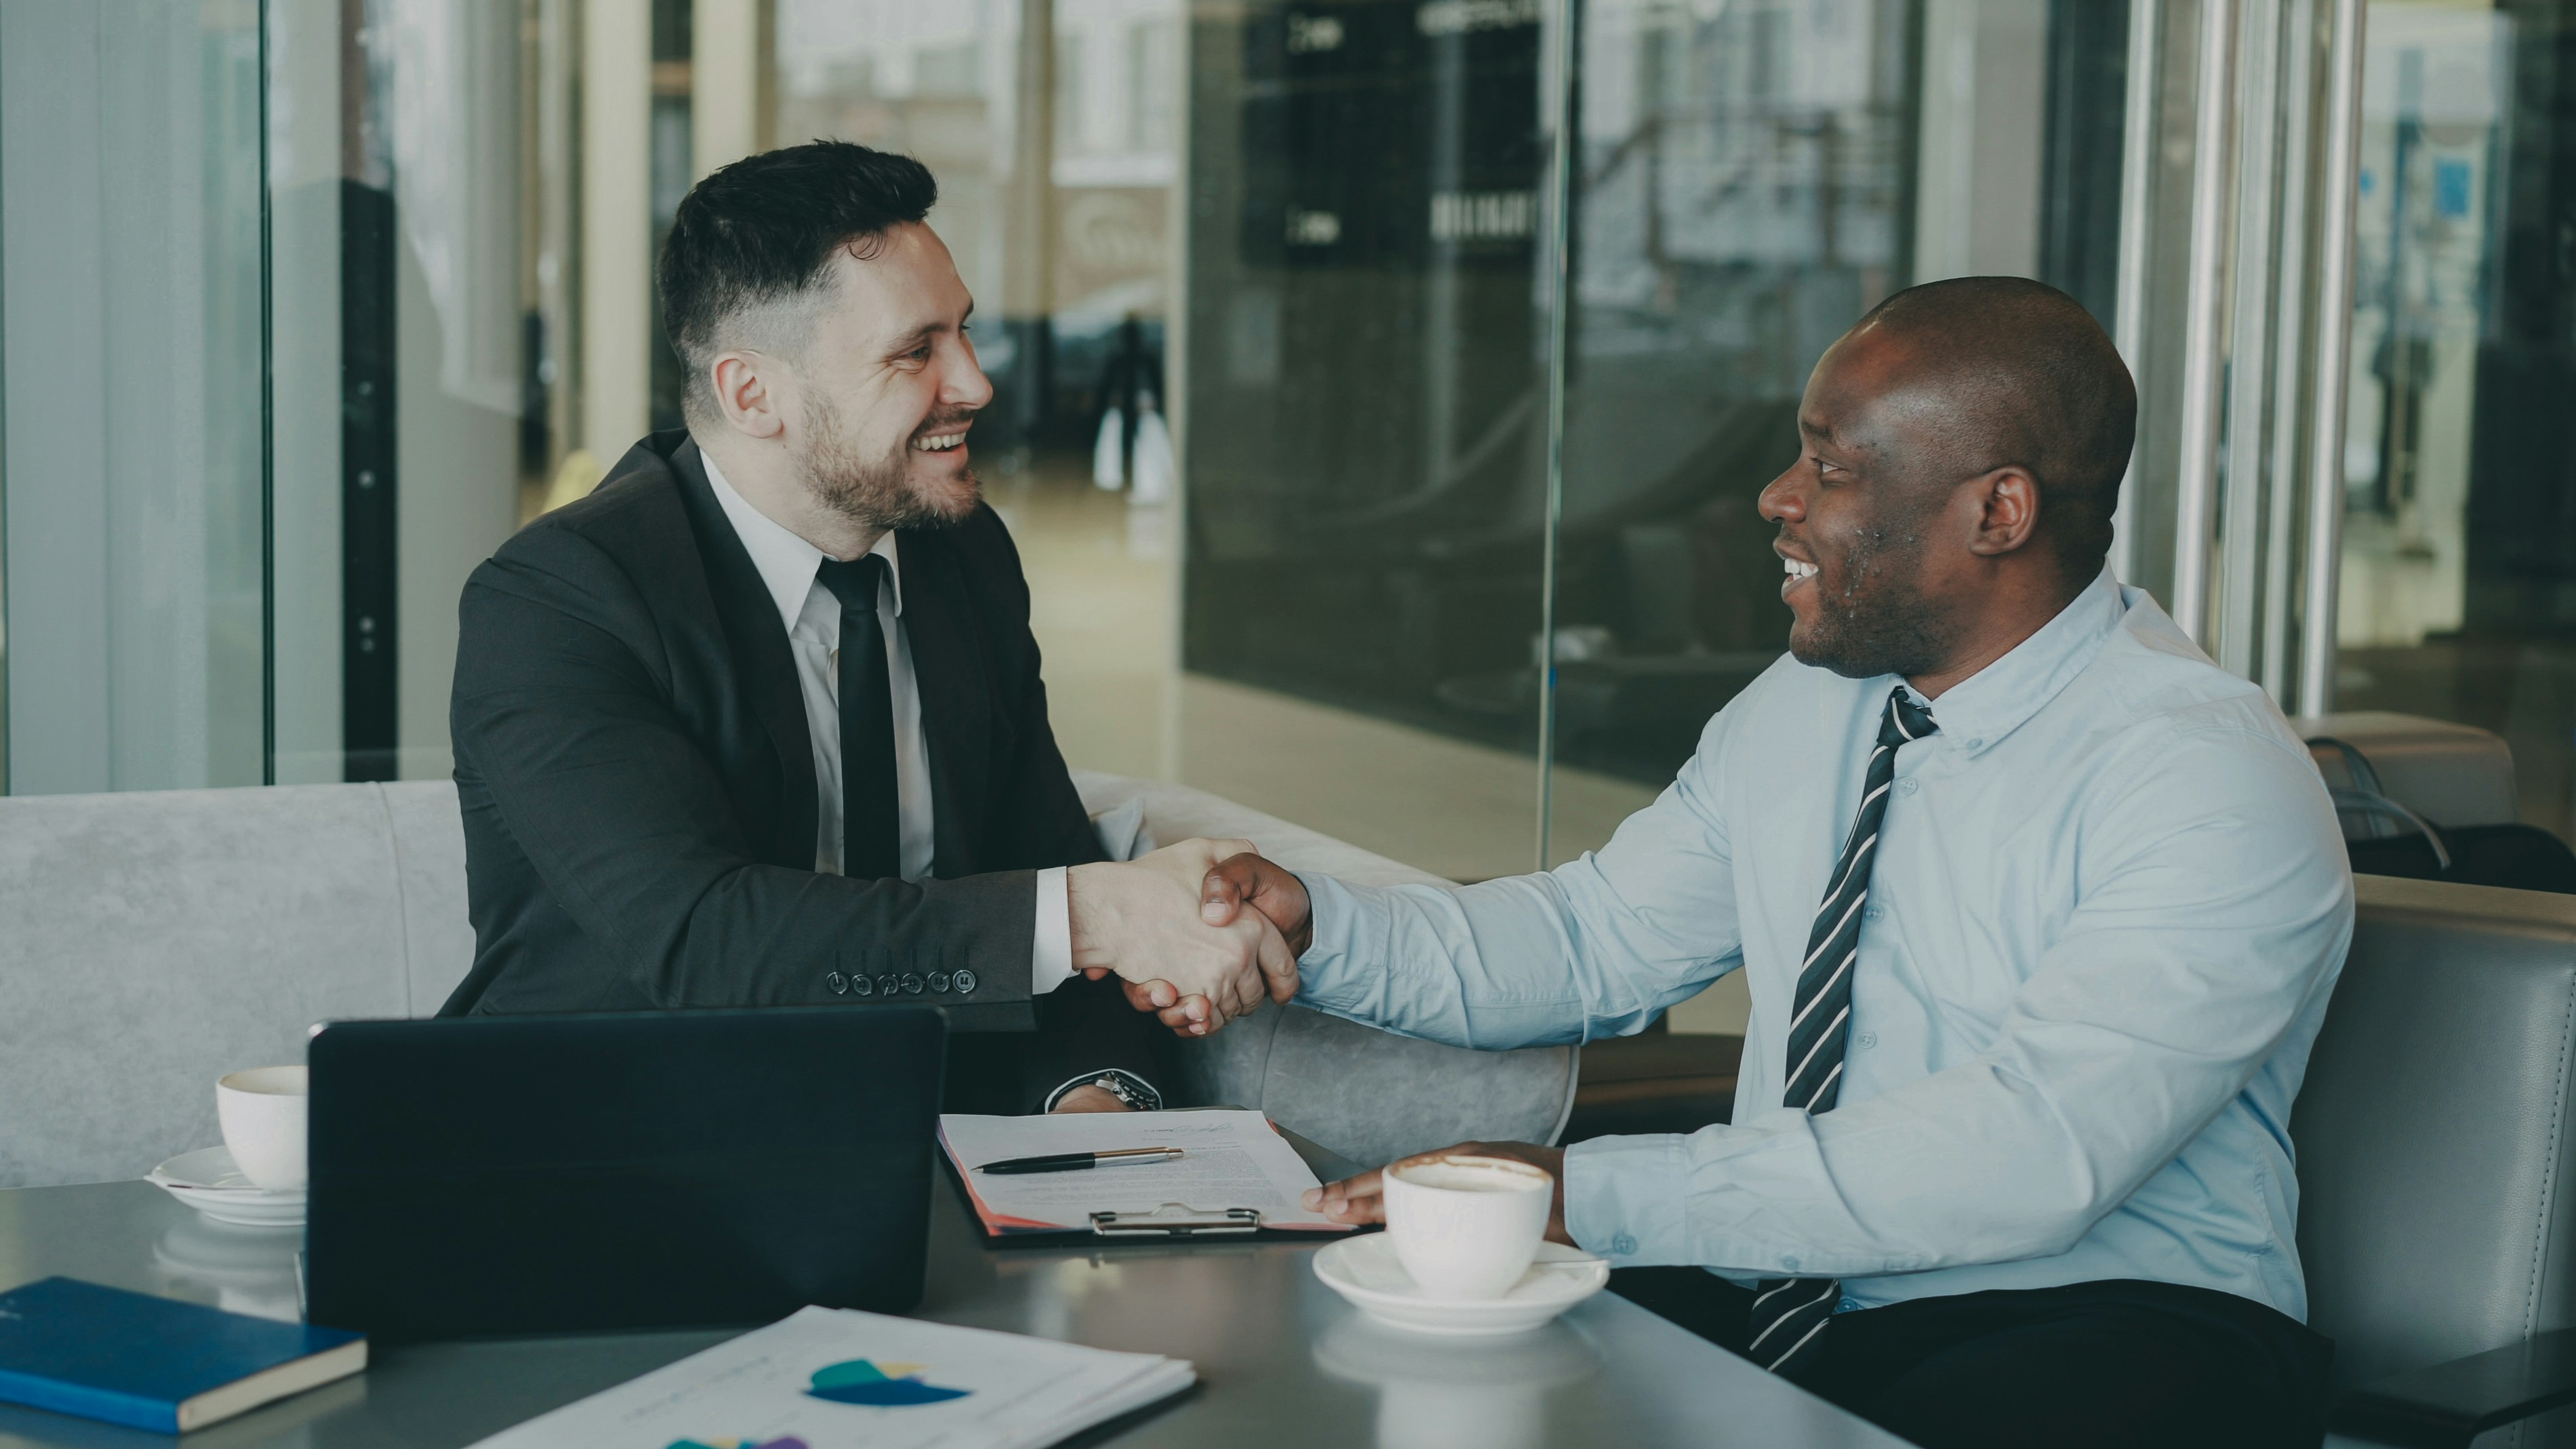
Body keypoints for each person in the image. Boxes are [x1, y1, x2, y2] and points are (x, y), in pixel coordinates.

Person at [1191, 277, 2352, 1448]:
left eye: (1832, 468)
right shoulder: (1814, 701)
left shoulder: (2204, 777)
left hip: (2116, 1326)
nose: (1776, 498)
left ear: (1998, 510)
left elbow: (2035, 1148)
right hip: (1799, 1296)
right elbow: (1594, 937)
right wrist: (1316, 927)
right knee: (1395, 1378)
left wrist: (1577, 1193)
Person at [444, 140, 1288, 1116]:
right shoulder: (560, 600)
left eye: (963, 332)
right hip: (610, 1154)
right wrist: (1096, 914)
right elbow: (700, 939)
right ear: (752, 394)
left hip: (921, 1148)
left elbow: (1039, 859)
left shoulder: (962, 557)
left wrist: (1090, 1099)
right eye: (916, 349)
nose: (974, 382)